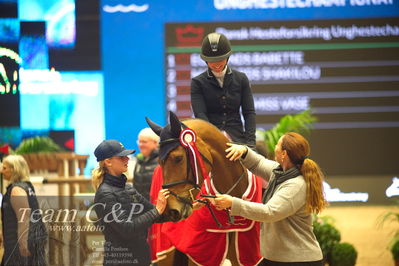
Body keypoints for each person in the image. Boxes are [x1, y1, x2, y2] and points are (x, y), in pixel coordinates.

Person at [212, 132, 327, 266]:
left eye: (277, 145)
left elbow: (269, 212)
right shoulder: (280, 172)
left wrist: (233, 203)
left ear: (283, 154)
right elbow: (258, 163)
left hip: (297, 261)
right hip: (279, 258)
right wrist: (243, 150)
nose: (275, 148)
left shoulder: (296, 185)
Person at [91, 139, 169, 266]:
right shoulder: (105, 194)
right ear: (108, 162)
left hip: (141, 256)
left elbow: (155, 213)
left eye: (126, 156)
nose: (127, 159)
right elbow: (127, 229)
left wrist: (188, 208)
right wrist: (157, 211)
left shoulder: (128, 188)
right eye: (121, 157)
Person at [190, 32, 256, 148]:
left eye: (220, 59)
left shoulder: (241, 79)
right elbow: (200, 114)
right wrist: (215, 137)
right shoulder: (197, 82)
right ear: (205, 60)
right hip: (210, 141)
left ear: (227, 57)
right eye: (211, 60)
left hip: (237, 139)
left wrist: (250, 143)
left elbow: (249, 113)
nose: (216, 64)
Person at [0, 155, 47, 266]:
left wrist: (22, 243)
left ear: (14, 169)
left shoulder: (17, 190)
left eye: (5, 168)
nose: (2, 171)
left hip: (20, 243)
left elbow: (24, 217)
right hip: (29, 239)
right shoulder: (27, 187)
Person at [132, 128, 159, 201]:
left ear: (155, 142)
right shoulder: (139, 160)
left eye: (144, 142)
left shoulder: (162, 161)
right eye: (139, 142)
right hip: (140, 208)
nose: (140, 145)